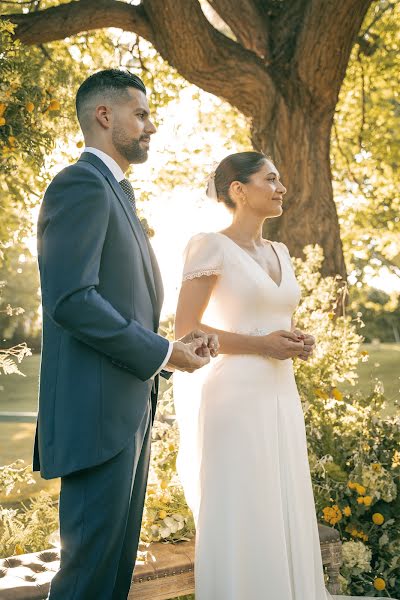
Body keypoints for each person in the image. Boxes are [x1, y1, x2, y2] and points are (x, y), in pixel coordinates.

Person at [33, 69, 217, 600]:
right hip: (96, 417)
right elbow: (71, 300)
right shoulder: (80, 184)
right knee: (86, 579)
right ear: (104, 115)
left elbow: (116, 305)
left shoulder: (115, 192)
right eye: (141, 114)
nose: (151, 126)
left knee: (111, 578)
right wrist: (163, 352)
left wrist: (172, 347)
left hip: (125, 410)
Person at [173, 150, 331, 599]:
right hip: (235, 396)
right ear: (238, 190)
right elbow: (186, 330)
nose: (281, 188)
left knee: (281, 499)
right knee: (247, 505)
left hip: (280, 392)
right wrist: (261, 344)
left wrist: (296, 339)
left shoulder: (279, 250)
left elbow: (268, 314)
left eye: (280, 180)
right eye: (271, 179)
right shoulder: (210, 244)